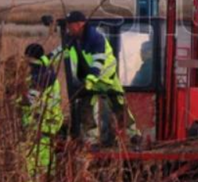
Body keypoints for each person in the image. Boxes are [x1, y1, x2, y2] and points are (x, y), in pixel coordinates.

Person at [58, 11, 140, 147]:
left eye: (70, 25)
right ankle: (92, 140)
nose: (68, 28)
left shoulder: (96, 38)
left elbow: (98, 62)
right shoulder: (73, 40)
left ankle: (134, 136)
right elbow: (59, 52)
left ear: (80, 24)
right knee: (86, 108)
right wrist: (44, 60)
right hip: (92, 81)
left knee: (119, 107)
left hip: (107, 79)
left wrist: (90, 79)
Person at [20, 43, 63, 182]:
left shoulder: (39, 77)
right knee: (49, 169)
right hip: (49, 127)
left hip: (39, 128)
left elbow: (30, 102)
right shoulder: (47, 71)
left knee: (31, 170)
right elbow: (59, 50)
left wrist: (17, 94)